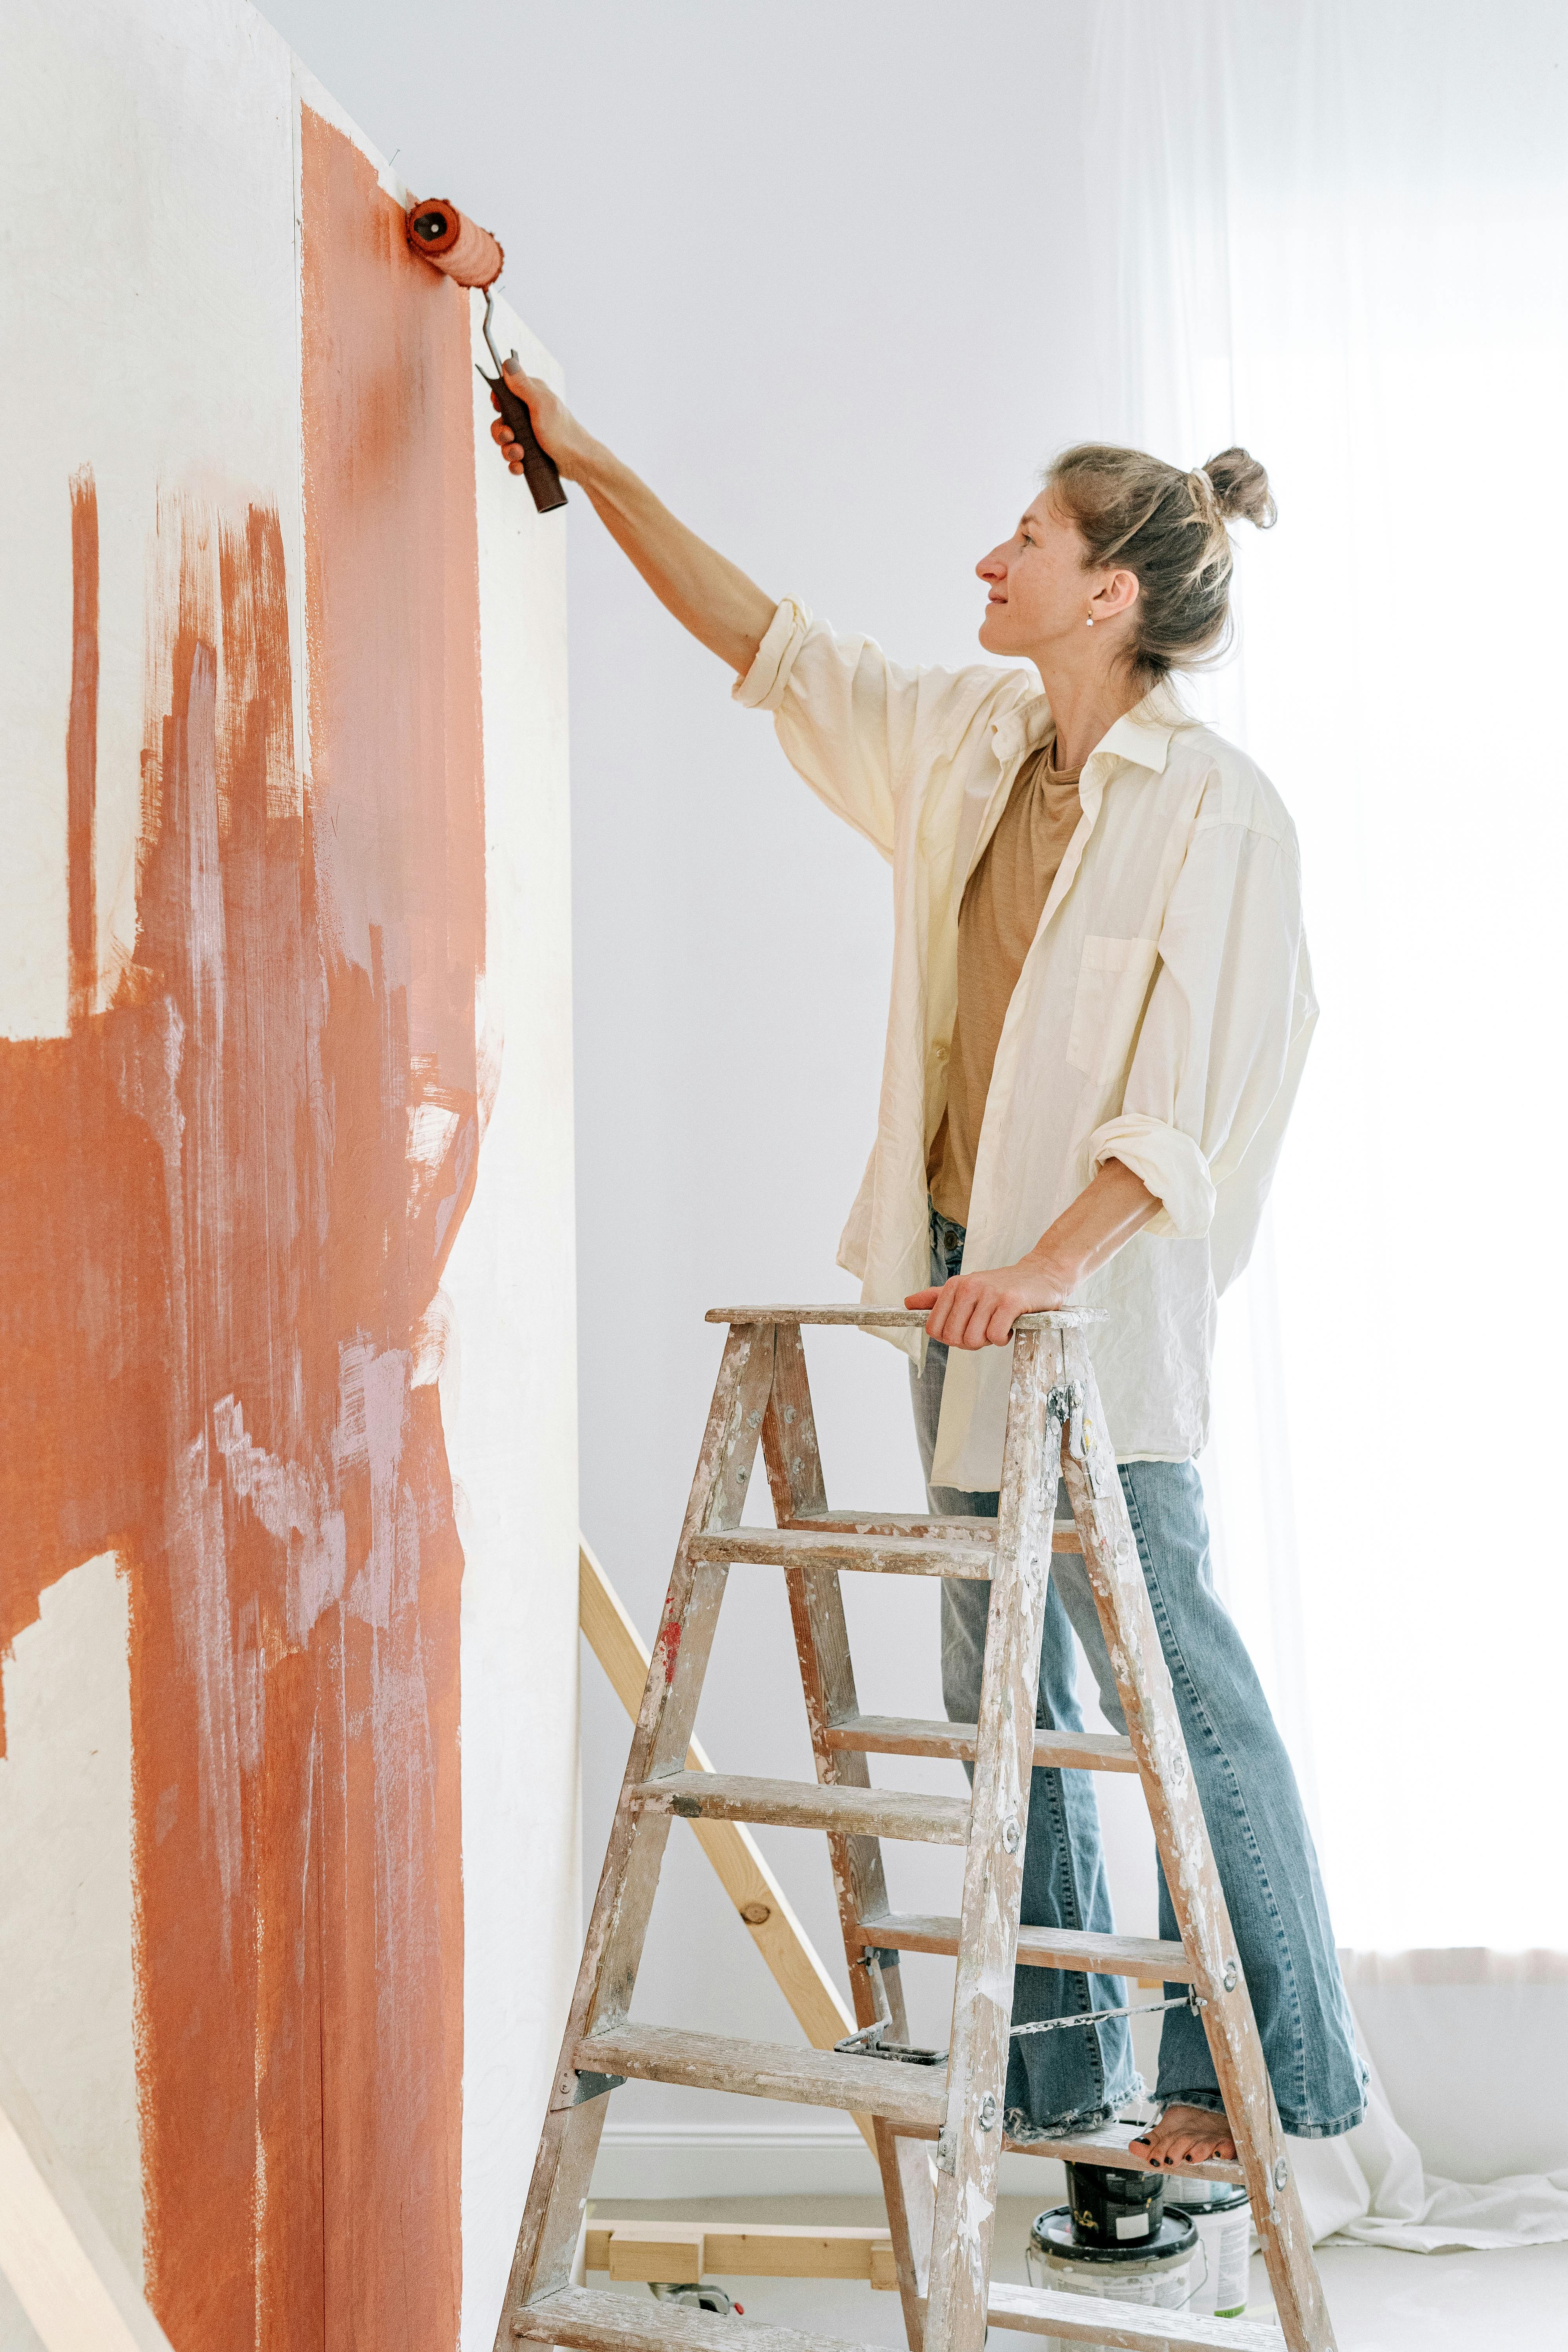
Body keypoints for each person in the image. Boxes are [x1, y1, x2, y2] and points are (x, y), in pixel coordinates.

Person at [489, 368, 1366, 2167]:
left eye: (1026, 539)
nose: (990, 556)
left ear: (1108, 589)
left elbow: (1193, 1105)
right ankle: (1058, 2083)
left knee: (1168, 1676)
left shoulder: (1221, 813)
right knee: (1001, 1686)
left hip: (1090, 1305)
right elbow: (780, 651)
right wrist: (592, 464)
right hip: (960, 1279)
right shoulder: (974, 742)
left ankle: (1269, 2078)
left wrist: (1048, 1267)